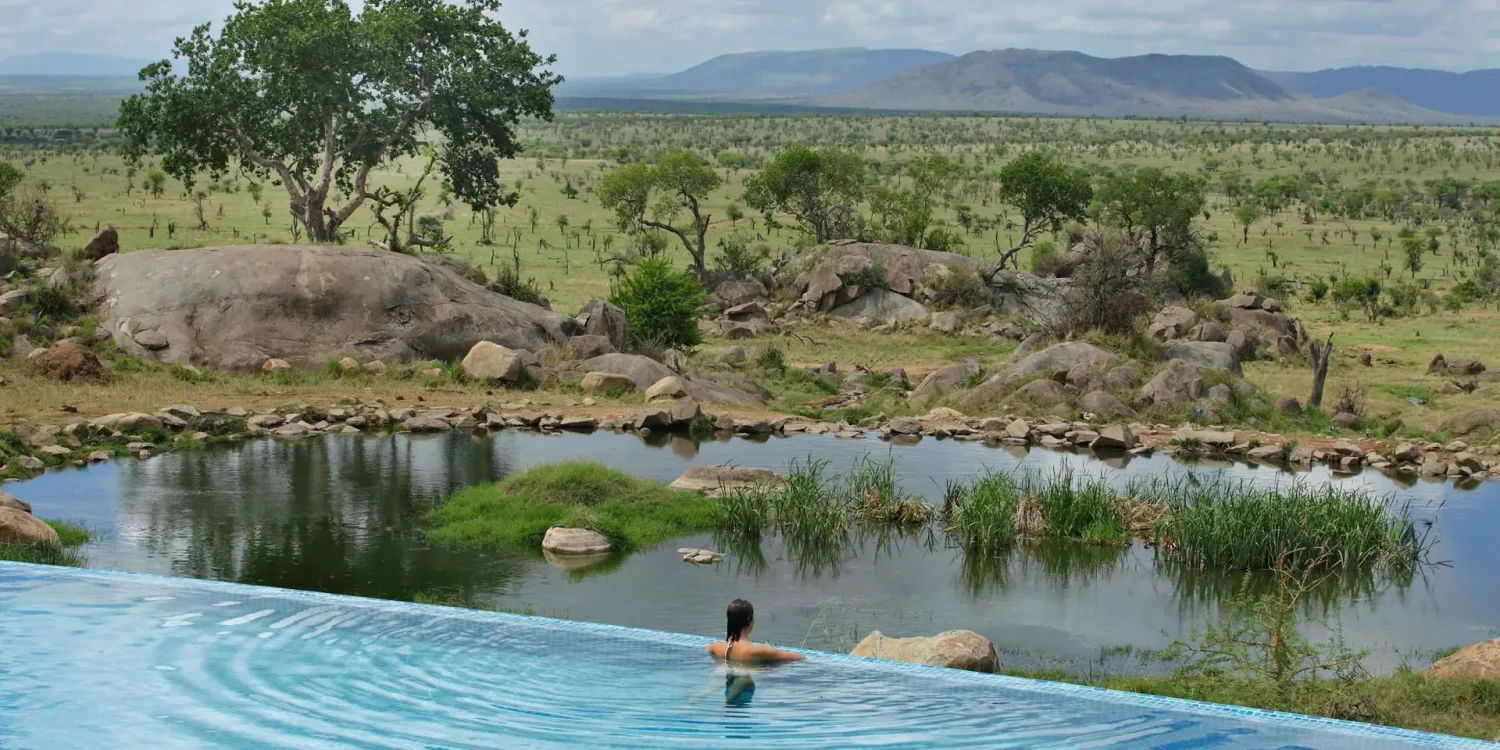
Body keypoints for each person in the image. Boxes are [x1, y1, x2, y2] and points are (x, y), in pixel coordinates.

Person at [705, 599, 804, 664]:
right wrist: (768, 650)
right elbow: (799, 657)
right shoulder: (760, 651)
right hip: (745, 689)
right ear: (749, 620)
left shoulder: (713, 647)